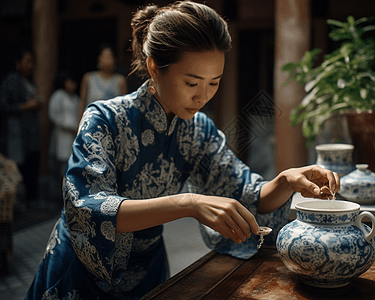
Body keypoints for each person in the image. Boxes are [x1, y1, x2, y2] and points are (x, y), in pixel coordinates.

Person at [26, 1, 340, 299]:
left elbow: (245, 194)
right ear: (154, 67)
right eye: (192, 83)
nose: (203, 96)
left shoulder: (198, 130)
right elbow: (87, 207)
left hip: (147, 274)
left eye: (214, 83)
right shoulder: (104, 119)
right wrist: (187, 203)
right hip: (79, 275)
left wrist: (285, 180)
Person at [0, 49, 42, 206]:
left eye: (32, 61)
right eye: (27, 61)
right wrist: (25, 106)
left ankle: (31, 201)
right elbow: (3, 106)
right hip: (15, 132)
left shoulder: (29, 81)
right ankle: (17, 203)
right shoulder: (10, 80)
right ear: (18, 63)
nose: (30, 65)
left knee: (32, 164)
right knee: (18, 166)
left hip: (30, 131)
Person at [78, 43, 127, 121]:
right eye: (104, 56)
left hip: (113, 124)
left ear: (114, 59)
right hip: (92, 122)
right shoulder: (88, 78)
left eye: (109, 56)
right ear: (99, 58)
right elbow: (82, 103)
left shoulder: (120, 80)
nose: (106, 59)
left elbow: (124, 106)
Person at [48, 71, 80, 178]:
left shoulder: (76, 98)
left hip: (74, 133)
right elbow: (53, 114)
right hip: (62, 133)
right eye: (70, 82)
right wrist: (66, 126)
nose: (72, 85)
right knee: (62, 162)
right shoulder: (58, 95)